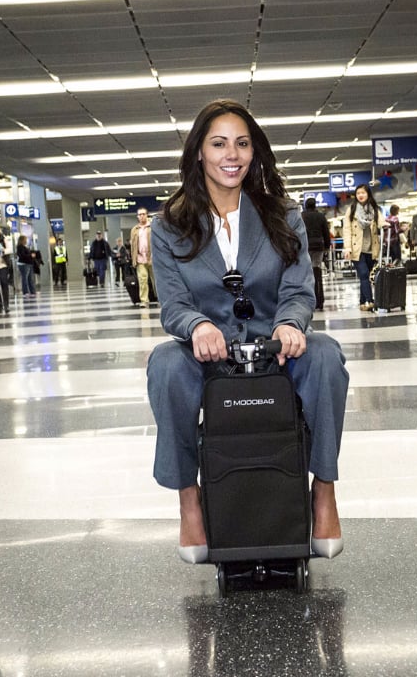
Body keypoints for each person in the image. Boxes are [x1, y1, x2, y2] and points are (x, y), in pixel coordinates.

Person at [146, 99, 348, 564]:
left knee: (325, 357)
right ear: (199, 151)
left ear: (254, 152)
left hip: (277, 347)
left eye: (242, 143)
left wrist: (290, 323)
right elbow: (173, 304)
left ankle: (325, 489)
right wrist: (196, 325)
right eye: (218, 144)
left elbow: (299, 288)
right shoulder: (169, 225)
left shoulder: (282, 214)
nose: (231, 154)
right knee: (165, 367)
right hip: (208, 355)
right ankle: (188, 498)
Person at [342, 183, 386, 311]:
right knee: (364, 273)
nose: (360, 195)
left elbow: (380, 221)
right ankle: (369, 301)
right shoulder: (352, 209)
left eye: (363, 193)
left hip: (371, 248)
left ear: (368, 194)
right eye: (358, 193)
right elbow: (347, 229)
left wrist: (384, 224)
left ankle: (362, 302)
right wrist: (347, 247)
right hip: (357, 248)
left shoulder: (374, 209)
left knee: (365, 277)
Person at [301, 197, 331, 310]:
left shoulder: (302, 216)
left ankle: (310, 301)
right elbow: (326, 232)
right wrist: (327, 246)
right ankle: (320, 301)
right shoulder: (320, 216)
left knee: (307, 275)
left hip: (306, 247)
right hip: (318, 247)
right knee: (317, 273)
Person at [130, 207, 156, 307]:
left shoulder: (152, 227)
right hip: (140, 258)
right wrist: (134, 259)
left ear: (147, 215)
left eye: (143, 214)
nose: (141, 216)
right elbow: (133, 246)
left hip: (153, 258)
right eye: (139, 214)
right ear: (137, 217)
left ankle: (161, 298)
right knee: (142, 279)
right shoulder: (134, 230)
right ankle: (144, 300)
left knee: (156, 280)